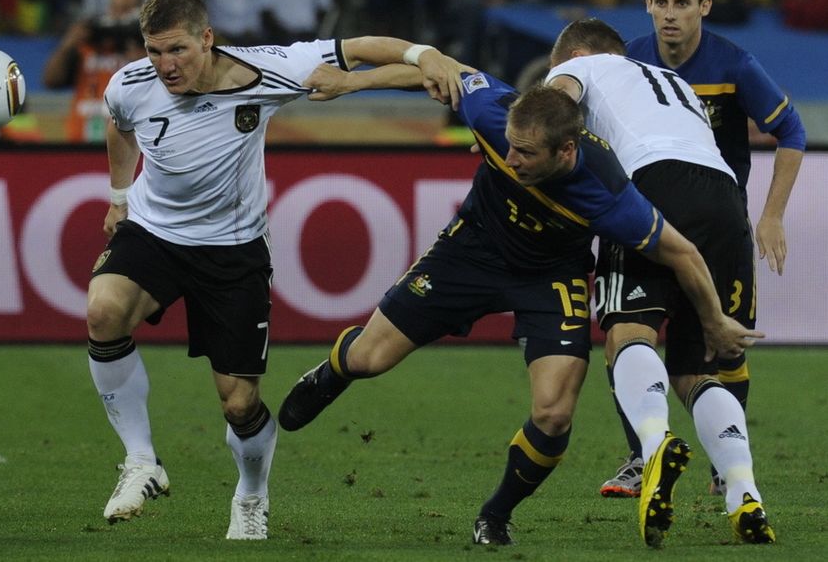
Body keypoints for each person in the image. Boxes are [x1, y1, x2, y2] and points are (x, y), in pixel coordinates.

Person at [278, 57, 761, 546]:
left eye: (526, 153)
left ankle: (495, 513)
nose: (509, 159)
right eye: (509, 146)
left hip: (551, 277)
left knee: (554, 413)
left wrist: (714, 318)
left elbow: (682, 252)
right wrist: (350, 81)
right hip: (472, 250)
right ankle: (332, 372)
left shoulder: (610, 194)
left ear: (566, 151)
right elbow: (429, 62)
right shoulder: (492, 111)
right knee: (368, 358)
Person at [85, 0, 470, 539]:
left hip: (232, 249)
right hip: (154, 233)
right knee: (103, 311)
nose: (165, 66)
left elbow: (359, 47)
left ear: (207, 39)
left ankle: (251, 491)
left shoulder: (265, 71)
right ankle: (142, 461)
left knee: (239, 404)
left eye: (177, 51)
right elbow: (118, 125)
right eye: (154, 51)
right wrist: (120, 197)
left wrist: (422, 56)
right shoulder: (130, 84)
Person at [546, 17, 775, 546]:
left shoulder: (585, 65)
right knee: (696, 369)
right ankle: (744, 491)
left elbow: (554, 108)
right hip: (725, 201)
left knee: (628, 332)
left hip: (653, 184)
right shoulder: (673, 84)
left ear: (578, 53)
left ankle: (652, 449)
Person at [598, 0, 806, 500]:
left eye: (682, 3)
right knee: (630, 331)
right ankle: (642, 456)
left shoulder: (733, 65)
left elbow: (792, 130)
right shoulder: (627, 62)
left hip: (718, 225)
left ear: (704, 7)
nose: (670, 14)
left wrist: (772, 213)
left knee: (724, 345)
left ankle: (724, 464)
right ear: (647, 4)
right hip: (647, 221)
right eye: (660, 2)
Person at [43, 0, 146, 142]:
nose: (119, 15)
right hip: (81, 141)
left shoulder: (147, 50)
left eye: (126, 9)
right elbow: (51, 80)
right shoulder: (87, 46)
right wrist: (68, 44)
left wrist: (140, 55)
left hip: (127, 145)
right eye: (115, 7)